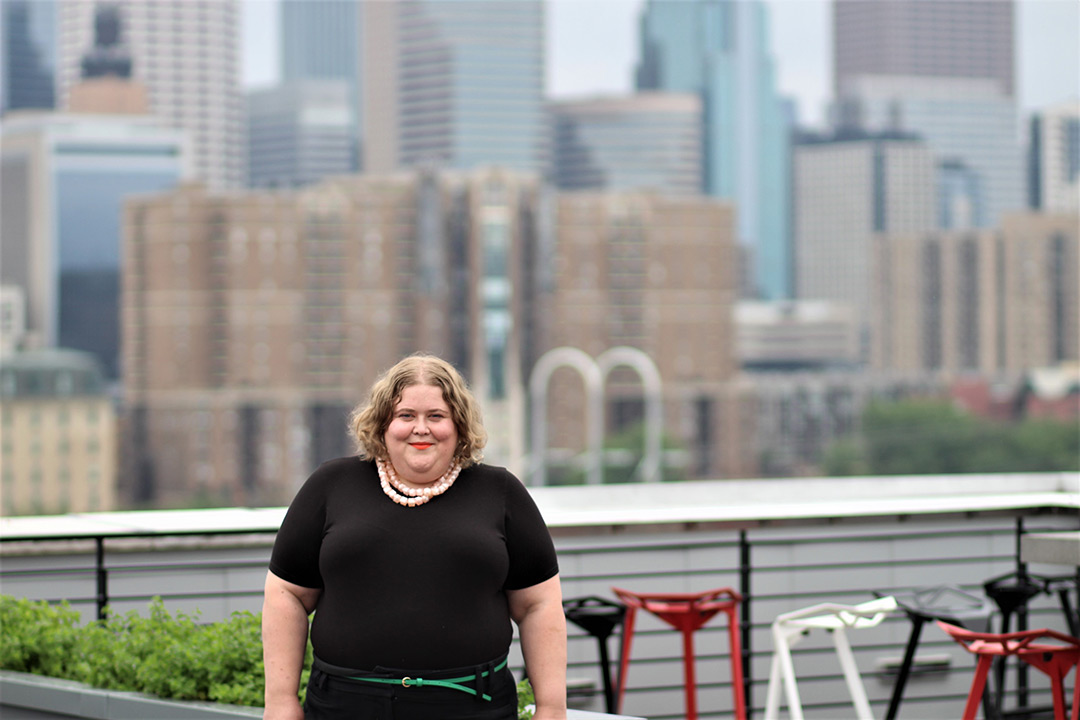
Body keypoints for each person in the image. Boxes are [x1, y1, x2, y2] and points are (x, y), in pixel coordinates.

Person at [262, 353, 567, 720]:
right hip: (345, 706)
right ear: (382, 424)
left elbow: (539, 606)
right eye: (406, 415)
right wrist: (280, 702)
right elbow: (286, 594)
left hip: (472, 707)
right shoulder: (331, 485)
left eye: (436, 416)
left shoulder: (501, 491)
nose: (420, 428)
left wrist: (552, 708)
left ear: (458, 425)